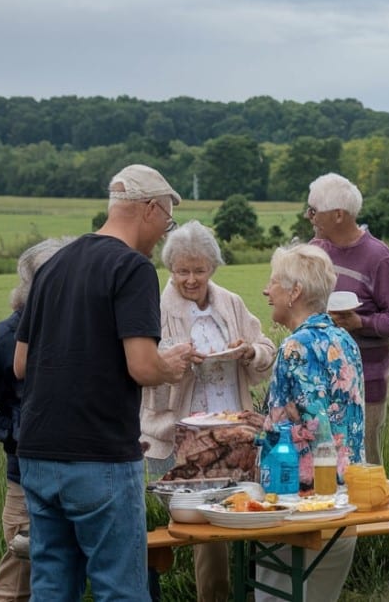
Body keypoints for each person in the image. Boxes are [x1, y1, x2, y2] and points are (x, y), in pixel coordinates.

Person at [13, 164, 196, 600]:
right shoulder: (132, 268)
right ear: (149, 208)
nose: (163, 235)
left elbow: (21, 364)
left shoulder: (53, 264)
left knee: (52, 586)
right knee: (121, 588)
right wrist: (171, 365)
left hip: (38, 454)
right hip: (99, 457)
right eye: (166, 223)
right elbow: (143, 367)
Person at [141, 219, 276, 602]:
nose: (190, 279)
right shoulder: (156, 306)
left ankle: (254, 594)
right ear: (171, 268)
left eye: (198, 270)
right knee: (206, 529)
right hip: (184, 434)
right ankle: (213, 597)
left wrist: (250, 352)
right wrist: (175, 362)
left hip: (235, 429)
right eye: (182, 271)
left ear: (212, 268)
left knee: (250, 513)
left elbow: (264, 347)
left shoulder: (230, 302)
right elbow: (142, 370)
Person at [0, 237, 71, 602]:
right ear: (34, 285)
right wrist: (23, 434)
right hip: (25, 485)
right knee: (15, 586)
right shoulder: (3, 338)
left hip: (86, 476)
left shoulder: (86, 329)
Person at [256, 243, 366, 602]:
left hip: (299, 499)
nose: (266, 291)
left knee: (277, 593)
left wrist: (259, 429)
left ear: (295, 292)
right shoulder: (344, 339)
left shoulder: (294, 347)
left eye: (273, 283)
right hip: (346, 491)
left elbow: (312, 426)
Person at [306, 173, 389, 466]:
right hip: (319, 381)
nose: (309, 217)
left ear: (338, 215)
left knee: (362, 464)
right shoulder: (315, 252)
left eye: (314, 210)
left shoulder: (378, 257)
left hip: (365, 384)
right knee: (320, 464)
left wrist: (360, 324)